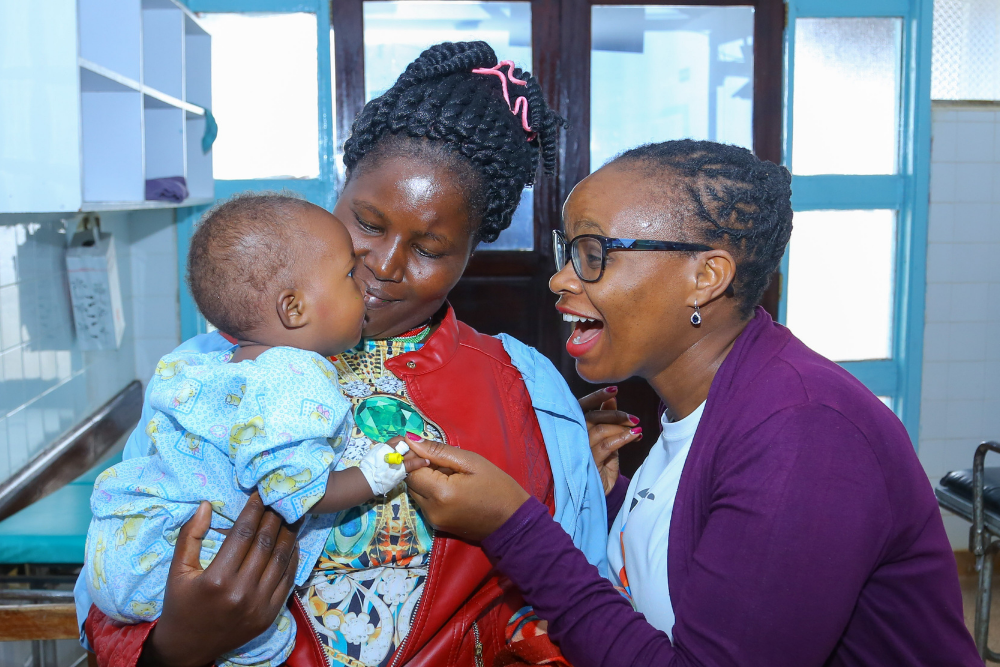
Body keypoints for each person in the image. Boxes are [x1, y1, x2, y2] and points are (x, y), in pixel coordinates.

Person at [75, 41, 618, 667]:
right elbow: (109, 580)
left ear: (473, 250)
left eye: (431, 246)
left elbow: (572, 603)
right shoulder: (205, 374)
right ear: (341, 189)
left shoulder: (527, 389)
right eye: (367, 221)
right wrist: (174, 650)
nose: (383, 265)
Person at [401, 140, 983, 666]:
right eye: (567, 250)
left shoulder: (806, 432)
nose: (560, 279)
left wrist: (515, 528)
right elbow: (707, 561)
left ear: (705, 277)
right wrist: (610, 498)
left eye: (593, 252)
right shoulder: (702, 406)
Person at [84, 195, 424, 667]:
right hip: (181, 568)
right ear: (294, 308)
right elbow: (294, 490)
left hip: (124, 547)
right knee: (270, 641)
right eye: (349, 275)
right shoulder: (295, 377)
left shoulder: (214, 369)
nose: (363, 284)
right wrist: (376, 474)